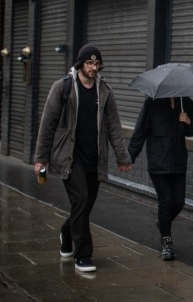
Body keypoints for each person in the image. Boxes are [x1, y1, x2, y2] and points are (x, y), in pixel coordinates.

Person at [34, 44, 132, 273]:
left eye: (97, 64)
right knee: (81, 201)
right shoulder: (63, 88)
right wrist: (41, 158)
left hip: (94, 158)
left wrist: (122, 157)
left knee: (85, 206)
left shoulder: (105, 91)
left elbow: (114, 127)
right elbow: (47, 125)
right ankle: (84, 255)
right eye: (89, 63)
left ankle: (66, 233)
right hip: (70, 158)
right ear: (80, 64)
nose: (94, 67)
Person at [128, 95, 193, 260]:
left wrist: (188, 120)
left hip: (179, 163)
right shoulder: (151, 104)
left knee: (179, 202)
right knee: (166, 201)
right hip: (158, 163)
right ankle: (167, 242)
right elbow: (140, 131)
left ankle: (163, 222)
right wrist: (129, 157)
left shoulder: (186, 103)